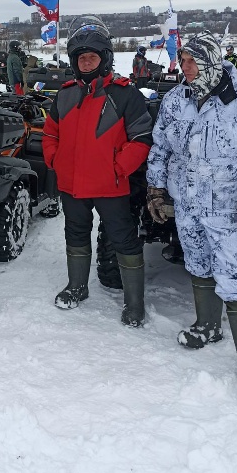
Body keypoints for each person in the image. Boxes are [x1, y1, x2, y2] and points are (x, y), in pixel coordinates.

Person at [146, 30, 237, 385]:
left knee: (235, 273)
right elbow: (160, 147)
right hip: (187, 204)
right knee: (198, 264)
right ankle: (207, 327)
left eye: (192, 61)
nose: (185, 67)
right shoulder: (176, 100)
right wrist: (156, 191)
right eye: (182, 60)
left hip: (225, 206)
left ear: (210, 61)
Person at [42, 20, 153, 325]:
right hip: (72, 184)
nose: (86, 62)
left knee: (123, 240)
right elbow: (50, 134)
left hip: (111, 185)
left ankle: (134, 303)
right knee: (76, 234)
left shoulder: (124, 94)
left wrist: (118, 168)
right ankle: (77, 287)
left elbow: (142, 137)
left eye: (92, 57)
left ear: (104, 59)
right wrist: (55, 160)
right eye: (81, 58)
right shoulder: (64, 95)